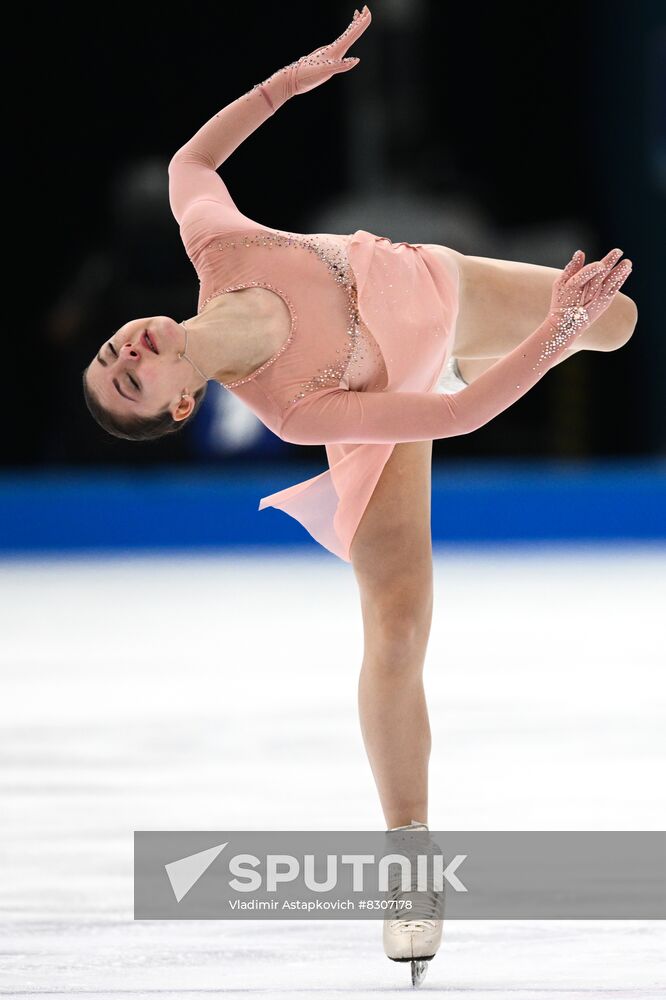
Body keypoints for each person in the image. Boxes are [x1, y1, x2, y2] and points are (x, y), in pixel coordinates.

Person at [81, 5, 637, 977]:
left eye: (110, 351)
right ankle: (409, 854)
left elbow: (188, 171)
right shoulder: (294, 406)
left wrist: (282, 87)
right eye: (128, 380)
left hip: (437, 289)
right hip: (397, 395)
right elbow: (454, 422)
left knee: (621, 319)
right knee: (396, 621)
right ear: (176, 407)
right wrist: (549, 339)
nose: (125, 351)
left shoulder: (219, 250)